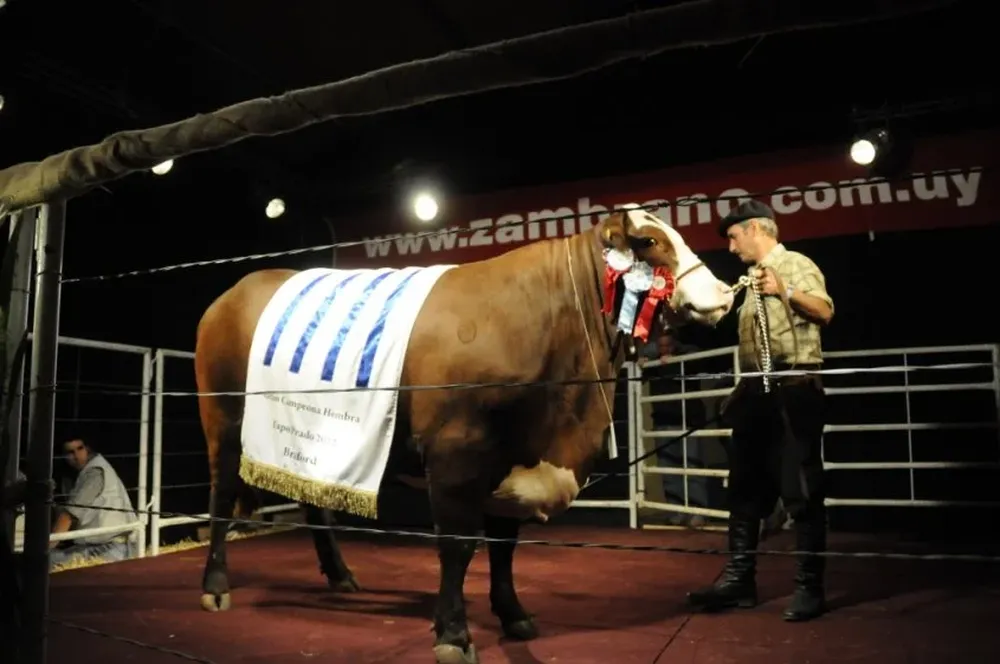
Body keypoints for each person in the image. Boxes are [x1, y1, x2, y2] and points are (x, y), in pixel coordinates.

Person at [686, 200, 834, 622]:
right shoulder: (749, 281)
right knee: (745, 491)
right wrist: (742, 389)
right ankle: (739, 580)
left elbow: (824, 311)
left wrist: (784, 291)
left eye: (733, 237)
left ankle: (810, 588)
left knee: (802, 492)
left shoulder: (794, 264)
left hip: (794, 390)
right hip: (758, 394)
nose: (731, 247)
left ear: (754, 229)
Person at [49, 437, 139, 569]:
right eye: (70, 452)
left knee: (46, 561)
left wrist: (45, 548)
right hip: (111, 545)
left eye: (80, 448)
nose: (76, 456)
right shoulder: (95, 468)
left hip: (111, 548)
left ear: (88, 448)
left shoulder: (94, 472)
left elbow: (69, 516)